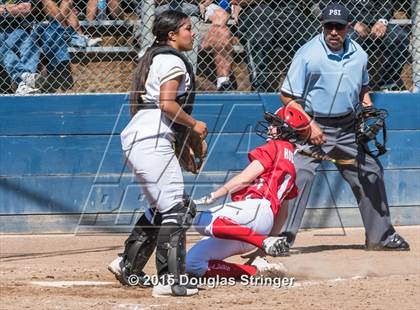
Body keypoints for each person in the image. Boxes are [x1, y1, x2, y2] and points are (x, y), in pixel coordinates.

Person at [279, 3, 410, 251]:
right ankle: (283, 237)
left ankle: (381, 237)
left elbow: (362, 89)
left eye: (339, 27)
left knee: (371, 172)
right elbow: (287, 97)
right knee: (300, 175)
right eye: (329, 26)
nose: (333, 32)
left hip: (347, 128)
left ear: (348, 27)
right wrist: (309, 124)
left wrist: (367, 107)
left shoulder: (359, 54)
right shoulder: (307, 54)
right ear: (323, 26)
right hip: (312, 127)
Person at [107, 10, 208, 297]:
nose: (192, 33)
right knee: (177, 208)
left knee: (166, 208)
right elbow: (166, 104)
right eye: (187, 28)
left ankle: (128, 264)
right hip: (151, 136)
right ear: (171, 35)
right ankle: (170, 280)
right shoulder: (171, 59)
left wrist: (185, 141)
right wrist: (195, 127)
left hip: (143, 135)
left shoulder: (158, 57)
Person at [186, 107, 311, 279]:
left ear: (287, 130)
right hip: (251, 227)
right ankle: (255, 272)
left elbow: (244, 179)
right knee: (192, 263)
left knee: (200, 221)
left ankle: (263, 242)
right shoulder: (291, 165)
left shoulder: (274, 146)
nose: (270, 128)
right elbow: (283, 214)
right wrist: (262, 249)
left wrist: (215, 195)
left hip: (254, 211)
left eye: (275, 124)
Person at [317, 0, 410, 90]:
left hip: (375, 23)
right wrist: (352, 22)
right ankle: (345, 83)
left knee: (401, 37)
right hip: (347, 24)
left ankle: (388, 83)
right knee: (346, 38)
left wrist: (382, 21)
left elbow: (386, 4)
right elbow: (327, 5)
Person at [230, 0, 317, 92]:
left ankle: (315, 86)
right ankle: (259, 84)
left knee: (315, 35)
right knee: (259, 24)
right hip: (258, 11)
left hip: (292, 12)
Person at [0, 0, 44, 94]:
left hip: (16, 30)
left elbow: (26, 8)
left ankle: (24, 83)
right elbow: (20, 9)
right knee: (2, 48)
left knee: (30, 41)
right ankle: (23, 78)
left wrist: (4, 9)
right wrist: (14, 8)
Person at [199, 0, 236, 91]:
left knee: (223, 32)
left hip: (236, 6)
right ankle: (223, 81)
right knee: (221, 17)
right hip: (212, 5)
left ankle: (223, 81)